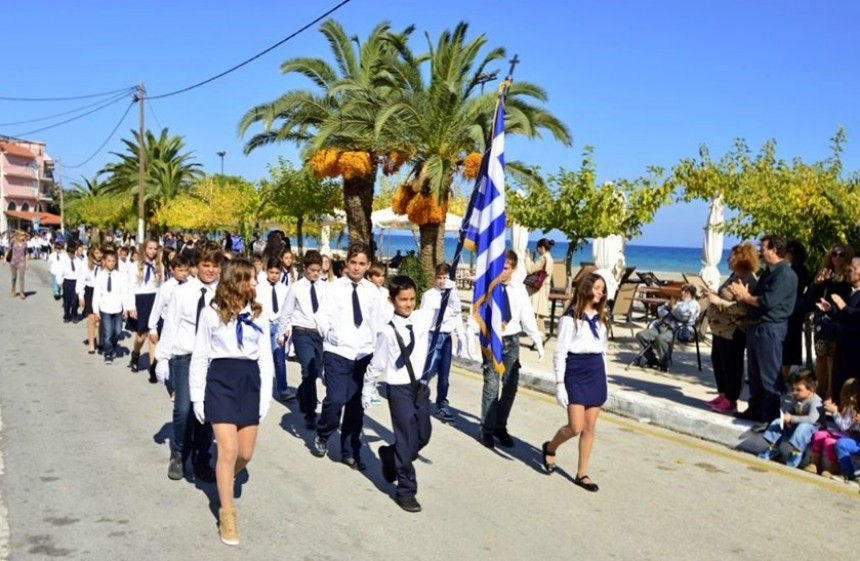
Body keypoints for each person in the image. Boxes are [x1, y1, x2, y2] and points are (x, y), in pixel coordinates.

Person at [189, 258, 272, 546]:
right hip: (221, 381)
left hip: (249, 381)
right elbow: (200, 356)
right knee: (228, 450)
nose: (255, 284)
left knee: (245, 454)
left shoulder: (259, 314)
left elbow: (266, 359)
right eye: (250, 278)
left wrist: (265, 397)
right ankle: (227, 514)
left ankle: (224, 476)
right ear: (236, 280)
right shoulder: (211, 313)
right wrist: (197, 398)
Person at [363, 275, 433, 512]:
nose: (409, 304)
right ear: (392, 301)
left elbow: (446, 312)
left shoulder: (421, 319)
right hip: (399, 389)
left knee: (423, 435)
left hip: (419, 387)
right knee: (405, 439)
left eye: (412, 299)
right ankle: (406, 490)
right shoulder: (388, 331)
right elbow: (377, 363)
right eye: (403, 300)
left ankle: (390, 455)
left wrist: (449, 292)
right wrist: (367, 388)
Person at [156, 243, 223, 484]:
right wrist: (162, 358)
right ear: (196, 266)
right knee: (184, 409)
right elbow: (171, 324)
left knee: (205, 412)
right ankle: (179, 451)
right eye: (206, 265)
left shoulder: (223, 294)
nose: (210, 270)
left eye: (215, 266)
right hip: (185, 357)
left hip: (211, 361)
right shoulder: (182, 292)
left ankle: (201, 458)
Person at [313, 243, 380, 469]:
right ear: (346, 263)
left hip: (363, 354)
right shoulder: (334, 288)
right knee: (336, 400)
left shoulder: (373, 292)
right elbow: (321, 316)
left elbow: (379, 321)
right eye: (353, 263)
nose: (357, 268)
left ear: (368, 265)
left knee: (355, 406)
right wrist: (329, 333)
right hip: (337, 351)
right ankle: (323, 432)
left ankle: (350, 451)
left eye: (362, 264)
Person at [541, 273, 608, 491]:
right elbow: (559, 353)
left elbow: (603, 351)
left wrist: (604, 378)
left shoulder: (601, 319)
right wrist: (560, 384)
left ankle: (582, 474)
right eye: (598, 288)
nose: (601, 292)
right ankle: (550, 448)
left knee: (590, 427)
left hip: (595, 371)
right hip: (576, 372)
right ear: (587, 288)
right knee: (575, 426)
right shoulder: (569, 319)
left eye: (603, 289)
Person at [478, 250, 545, 449]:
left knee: (510, 386)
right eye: (500, 268)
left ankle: (500, 426)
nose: (502, 272)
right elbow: (479, 309)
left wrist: (536, 338)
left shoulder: (518, 289)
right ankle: (486, 429)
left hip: (512, 339)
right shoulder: (489, 287)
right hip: (493, 340)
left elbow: (526, 315)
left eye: (506, 268)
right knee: (491, 385)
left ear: (514, 269)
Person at [730, 235, 798, 423]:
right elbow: (757, 297)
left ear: (775, 250)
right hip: (757, 326)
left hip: (771, 327)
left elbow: (767, 301)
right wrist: (743, 295)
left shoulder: (785, 275)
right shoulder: (769, 273)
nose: (760, 251)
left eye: (763, 247)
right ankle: (756, 408)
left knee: (769, 374)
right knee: (754, 372)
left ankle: (771, 416)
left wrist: (745, 297)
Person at [704, 243, 759, 413]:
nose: (728, 259)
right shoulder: (733, 276)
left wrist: (719, 302)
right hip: (720, 328)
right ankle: (723, 394)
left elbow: (742, 308)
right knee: (718, 361)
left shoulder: (748, 280)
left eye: (731, 256)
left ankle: (731, 398)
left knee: (732, 365)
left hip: (734, 330)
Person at [278, 250, 328, 428]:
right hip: (301, 332)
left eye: (318, 270)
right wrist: (281, 332)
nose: (315, 273)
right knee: (308, 369)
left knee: (318, 371)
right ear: (305, 268)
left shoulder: (325, 287)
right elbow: (286, 311)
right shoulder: (296, 287)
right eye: (312, 270)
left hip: (319, 334)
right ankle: (309, 411)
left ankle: (301, 392)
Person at [806, 243, 853, 398]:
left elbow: (848, 298)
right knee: (820, 357)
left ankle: (830, 393)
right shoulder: (826, 273)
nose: (837, 257)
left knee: (832, 359)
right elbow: (812, 297)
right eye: (834, 254)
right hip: (822, 320)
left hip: (837, 322)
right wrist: (817, 283)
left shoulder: (849, 276)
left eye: (841, 254)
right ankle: (820, 391)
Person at [420, 263, 465, 423]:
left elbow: (457, 313)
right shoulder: (429, 295)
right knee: (428, 371)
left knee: (444, 375)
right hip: (432, 335)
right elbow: (424, 319)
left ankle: (442, 403)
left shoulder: (452, 293)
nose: (442, 281)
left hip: (446, 337)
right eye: (439, 278)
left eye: (445, 277)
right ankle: (418, 398)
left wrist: (461, 335)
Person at [815, 256, 860, 406]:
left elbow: (855, 315)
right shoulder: (850, 292)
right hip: (843, 342)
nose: (848, 273)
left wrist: (843, 307)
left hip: (855, 346)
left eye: (852, 270)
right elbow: (843, 315)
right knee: (840, 377)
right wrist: (831, 309)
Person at [756, 370, 822, 468]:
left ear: (810, 390)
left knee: (803, 427)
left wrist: (792, 418)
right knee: (778, 422)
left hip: (810, 432)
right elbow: (790, 410)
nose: (795, 392)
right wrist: (787, 417)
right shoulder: (796, 398)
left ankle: (797, 452)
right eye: (794, 389)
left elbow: (812, 419)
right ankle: (773, 448)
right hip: (796, 426)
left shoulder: (816, 401)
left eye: (799, 390)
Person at [635, 285, 700, 370]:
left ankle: (664, 361)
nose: (680, 293)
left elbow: (684, 316)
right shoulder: (677, 301)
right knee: (641, 335)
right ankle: (650, 359)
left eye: (682, 291)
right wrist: (668, 308)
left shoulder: (693, 305)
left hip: (677, 329)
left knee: (660, 338)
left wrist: (673, 308)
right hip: (662, 325)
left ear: (687, 292)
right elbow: (660, 310)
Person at [256, 257, 293, 402]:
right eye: (271, 272)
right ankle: (259, 389)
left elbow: (288, 310)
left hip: (278, 324)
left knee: (279, 359)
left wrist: (287, 327)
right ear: (266, 271)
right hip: (263, 324)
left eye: (277, 273)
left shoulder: (284, 289)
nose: (274, 275)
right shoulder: (259, 288)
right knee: (261, 358)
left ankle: (283, 389)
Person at [807, 378, 859, 477]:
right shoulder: (848, 408)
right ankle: (815, 463)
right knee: (819, 434)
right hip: (844, 435)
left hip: (849, 437)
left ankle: (834, 467)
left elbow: (844, 426)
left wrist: (835, 412)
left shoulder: (855, 411)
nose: (850, 398)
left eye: (852, 396)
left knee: (829, 442)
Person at [127, 239, 164, 375]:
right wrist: (131, 306)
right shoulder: (134, 266)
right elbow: (130, 287)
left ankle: (153, 367)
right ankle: (135, 354)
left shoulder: (160, 266)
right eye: (150, 248)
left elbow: (162, 287)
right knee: (141, 336)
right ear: (144, 249)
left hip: (155, 299)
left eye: (155, 249)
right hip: (140, 300)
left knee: (154, 335)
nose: (152, 251)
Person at [92, 249, 129, 363]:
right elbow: (96, 294)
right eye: (109, 261)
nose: (111, 263)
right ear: (104, 261)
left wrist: (126, 308)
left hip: (117, 308)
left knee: (117, 332)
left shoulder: (120, 276)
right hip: (105, 308)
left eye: (113, 261)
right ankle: (108, 353)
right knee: (107, 332)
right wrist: (96, 310)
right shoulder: (100, 276)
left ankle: (111, 346)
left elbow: (124, 293)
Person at [782, 241, 810, 377]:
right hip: (792, 308)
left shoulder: (798, 270)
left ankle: (782, 377)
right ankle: (781, 376)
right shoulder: (794, 268)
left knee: (788, 346)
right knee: (786, 346)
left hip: (793, 310)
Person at [524, 239, 555, 338]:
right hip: (545, 286)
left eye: (538, 248)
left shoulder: (543, 258)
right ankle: (539, 336)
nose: (537, 250)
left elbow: (530, 269)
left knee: (537, 314)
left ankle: (540, 336)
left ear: (542, 247)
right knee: (539, 313)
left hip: (539, 288)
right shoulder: (550, 258)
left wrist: (527, 258)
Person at [76, 245, 104, 354]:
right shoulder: (85, 264)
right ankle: (92, 344)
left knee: (101, 319)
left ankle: (101, 340)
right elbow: (81, 280)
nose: (99, 255)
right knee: (91, 319)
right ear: (92, 253)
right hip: (90, 291)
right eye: (97, 253)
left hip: (102, 292)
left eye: (100, 253)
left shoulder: (105, 264)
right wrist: (81, 296)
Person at [60, 242, 81, 323]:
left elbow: (81, 273)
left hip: (76, 282)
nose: (71, 254)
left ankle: (75, 314)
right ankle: (67, 315)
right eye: (70, 253)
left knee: (75, 301)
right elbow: (60, 272)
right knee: (67, 301)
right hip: (67, 282)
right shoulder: (64, 261)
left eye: (73, 252)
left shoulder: (78, 261)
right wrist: (60, 281)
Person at [7, 230, 29, 300]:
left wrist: (27, 263)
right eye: (22, 235)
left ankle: (22, 293)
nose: (24, 236)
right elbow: (8, 250)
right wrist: (5, 258)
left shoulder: (25, 243)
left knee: (21, 278)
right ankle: (13, 290)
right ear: (18, 235)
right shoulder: (13, 241)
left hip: (21, 262)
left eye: (24, 235)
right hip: (13, 262)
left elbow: (26, 253)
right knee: (14, 277)